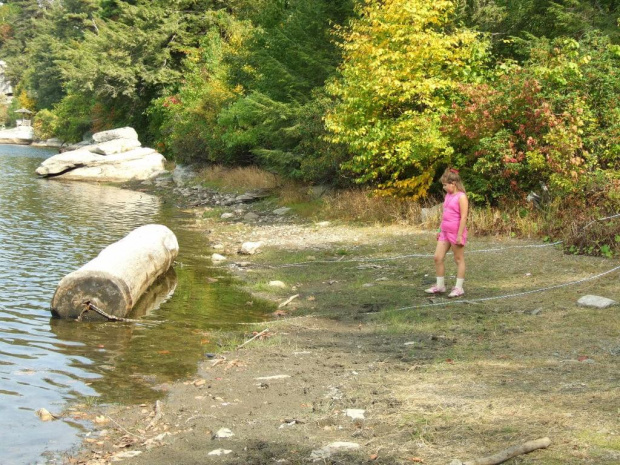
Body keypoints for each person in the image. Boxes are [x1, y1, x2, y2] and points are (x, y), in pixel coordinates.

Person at [425, 168, 468, 298]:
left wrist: (460, 235)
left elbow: (464, 217)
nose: (444, 187)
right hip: (445, 231)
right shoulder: (448, 196)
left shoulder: (461, 197)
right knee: (437, 257)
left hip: (456, 232)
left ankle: (459, 288)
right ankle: (440, 286)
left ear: (453, 183)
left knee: (458, 259)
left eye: (445, 185)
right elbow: (445, 214)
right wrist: (439, 229)